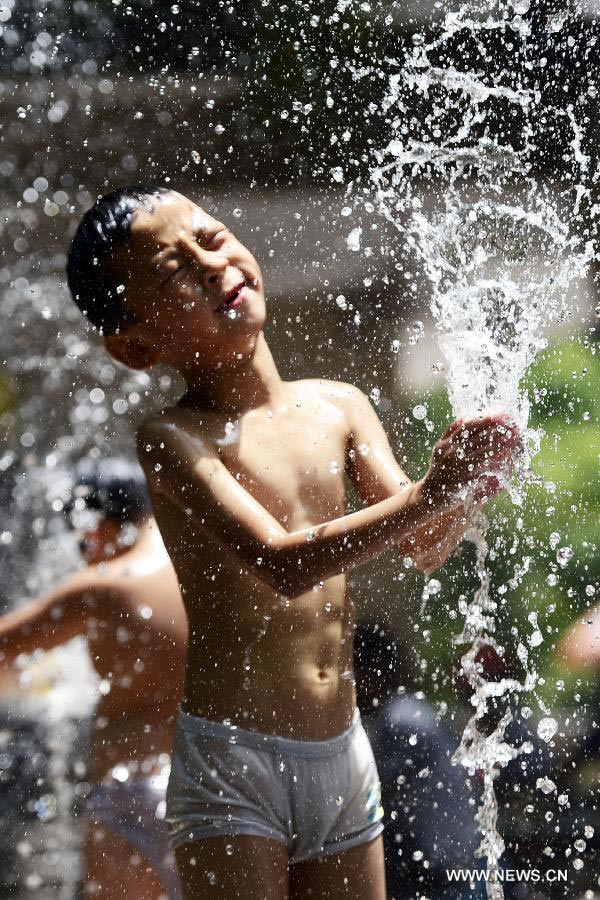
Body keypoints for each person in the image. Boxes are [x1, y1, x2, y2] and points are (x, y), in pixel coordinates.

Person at [66, 184, 522, 900]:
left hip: (342, 756)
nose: (210, 264)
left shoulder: (340, 404)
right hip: (233, 763)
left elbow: (422, 543)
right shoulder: (173, 438)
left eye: (210, 239)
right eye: (173, 271)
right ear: (135, 346)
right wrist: (430, 495)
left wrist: (467, 486)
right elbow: (280, 562)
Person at [0, 457, 187, 899]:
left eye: (81, 539)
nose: (84, 552)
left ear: (98, 525)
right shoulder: (198, 570)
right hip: (209, 793)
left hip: (133, 800)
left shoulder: (106, 584)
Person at [354, 621, 487, 900]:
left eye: (353, 674)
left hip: (446, 875)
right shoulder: (405, 710)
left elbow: (367, 793)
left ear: (372, 672)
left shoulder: (402, 719)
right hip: (454, 864)